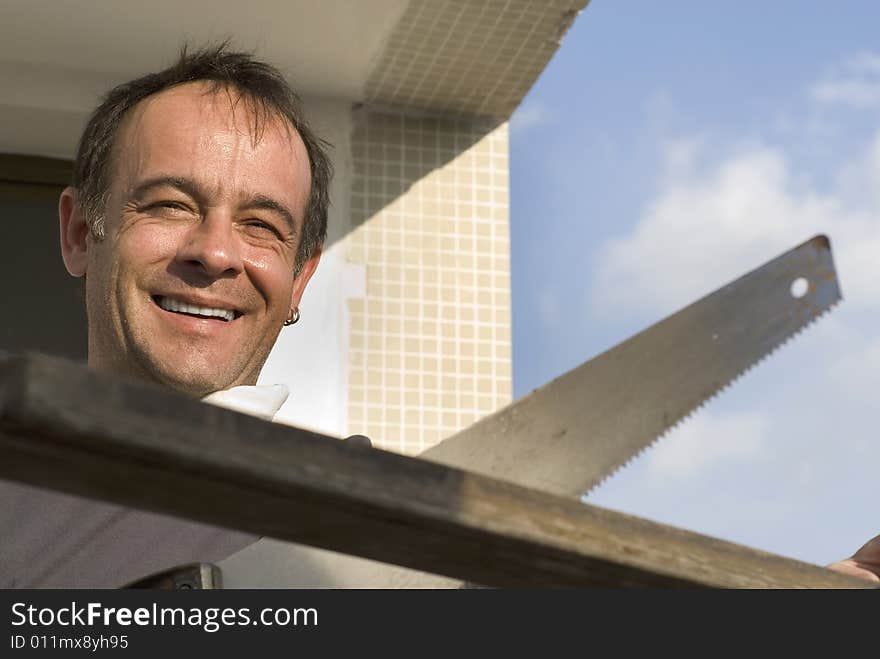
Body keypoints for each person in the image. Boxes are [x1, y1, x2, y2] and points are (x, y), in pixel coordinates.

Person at [45, 43, 880, 587]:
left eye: (262, 225)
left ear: (300, 283)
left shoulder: (364, 504)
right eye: (170, 204)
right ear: (84, 231)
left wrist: (818, 604)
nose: (217, 252)